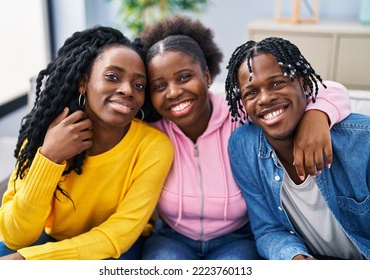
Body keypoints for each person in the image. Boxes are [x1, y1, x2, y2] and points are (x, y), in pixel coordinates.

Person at [138, 15, 351, 260]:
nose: (174, 92)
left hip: (236, 238)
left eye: (184, 77)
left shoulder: (239, 111)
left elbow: (329, 88)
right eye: (159, 86)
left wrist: (318, 115)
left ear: (207, 76)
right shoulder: (153, 129)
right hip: (172, 237)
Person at [0, 26, 174, 260]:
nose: (127, 90)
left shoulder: (153, 147)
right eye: (112, 77)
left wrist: (31, 261)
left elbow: (118, 236)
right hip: (51, 237)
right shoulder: (43, 136)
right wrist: (49, 158)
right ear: (83, 83)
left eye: (139, 85)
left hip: (112, 248)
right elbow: (16, 237)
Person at [226, 36, 370, 260]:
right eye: (251, 93)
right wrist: (295, 260)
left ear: (303, 84)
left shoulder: (362, 141)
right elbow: (268, 230)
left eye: (276, 83)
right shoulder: (243, 147)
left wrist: (319, 113)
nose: (265, 98)